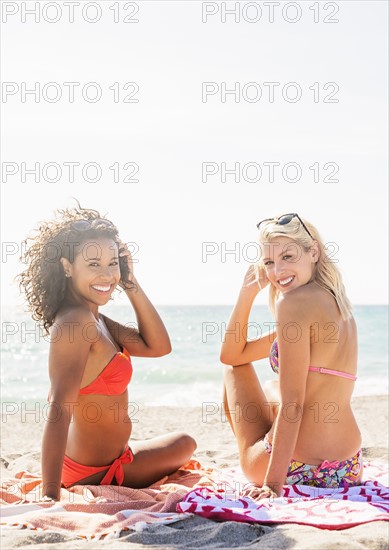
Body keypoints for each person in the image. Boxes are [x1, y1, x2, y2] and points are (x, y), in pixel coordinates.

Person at [18, 203, 196, 501]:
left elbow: (158, 347)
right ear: (66, 267)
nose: (106, 274)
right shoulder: (75, 322)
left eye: (113, 263)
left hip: (117, 456)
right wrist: (50, 495)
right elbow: (59, 408)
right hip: (90, 469)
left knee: (185, 442)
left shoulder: (96, 319)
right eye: (93, 264)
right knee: (185, 445)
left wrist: (130, 282)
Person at [220, 213, 362, 499]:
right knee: (273, 390)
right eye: (269, 262)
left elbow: (232, 361)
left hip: (298, 468)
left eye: (287, 256)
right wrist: (249, 290)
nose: (277, 271)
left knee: (235, 374)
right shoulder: (338, 305)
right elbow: (235, 352)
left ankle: (265, 457)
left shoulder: (292, 304)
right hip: (347, 468)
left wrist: (272, 485)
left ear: (314, 252)